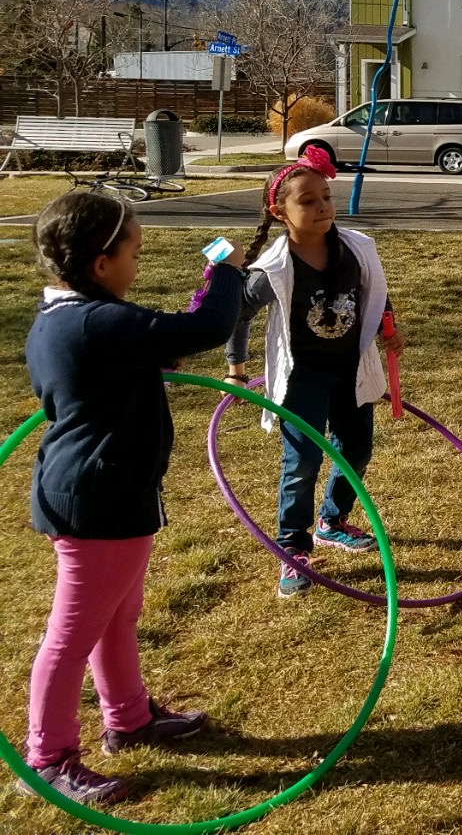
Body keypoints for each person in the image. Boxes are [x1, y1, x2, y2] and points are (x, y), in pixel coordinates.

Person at [23, 192, 244, 804]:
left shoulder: (58, 321)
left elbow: (99, 367)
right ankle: (48, 756)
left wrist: (145, 357)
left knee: (116, 616)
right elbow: (209, 326)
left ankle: (128, 717)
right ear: (100, 264)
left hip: (98, 489)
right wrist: (225, 269)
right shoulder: (101, 322)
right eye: (133, 252)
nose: (136, 264)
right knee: (71, 634)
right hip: (100, 497)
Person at [224, 146, 404, 598]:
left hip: (350, 368)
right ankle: (293, 548)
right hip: (303, 376)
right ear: (279, 211)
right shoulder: (273, 270)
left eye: (325, 196)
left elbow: (377, 292)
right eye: (307, 200)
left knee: (357, 449)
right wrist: (236, 370)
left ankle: (332, 520)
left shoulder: (356, 249)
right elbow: (237, 313)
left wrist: (390, 330)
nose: (322, 206)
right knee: (302, 461)